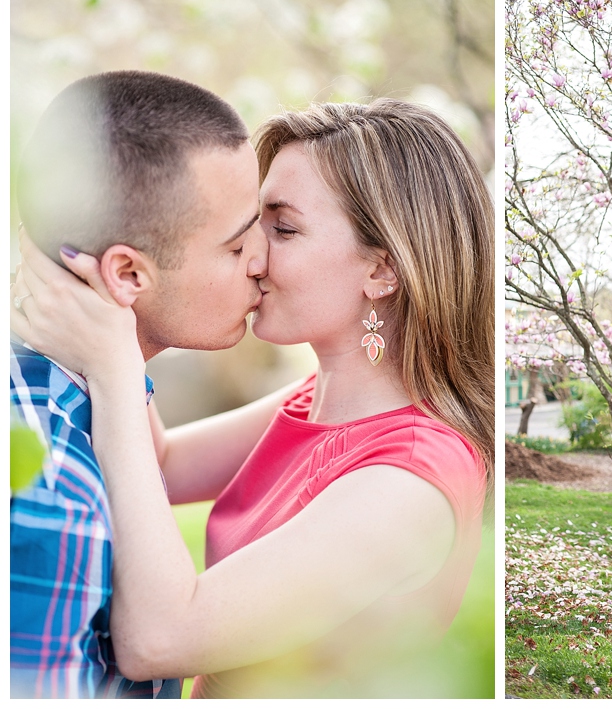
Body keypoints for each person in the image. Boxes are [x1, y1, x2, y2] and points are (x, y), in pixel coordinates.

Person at [11, 96, 494, 698]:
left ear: (382, 271)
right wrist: (119, 301)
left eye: (283, 229)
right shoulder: (316, 398)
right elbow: (156, 463)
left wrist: (115, 364)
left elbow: (159, 639)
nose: (252, 255)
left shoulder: (411, 479)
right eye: (250, 223)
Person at [9, 70, 266, 699]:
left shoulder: (84, 398)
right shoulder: (46, 484)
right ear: (127, 274)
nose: (262, 259)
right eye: (235, 248)